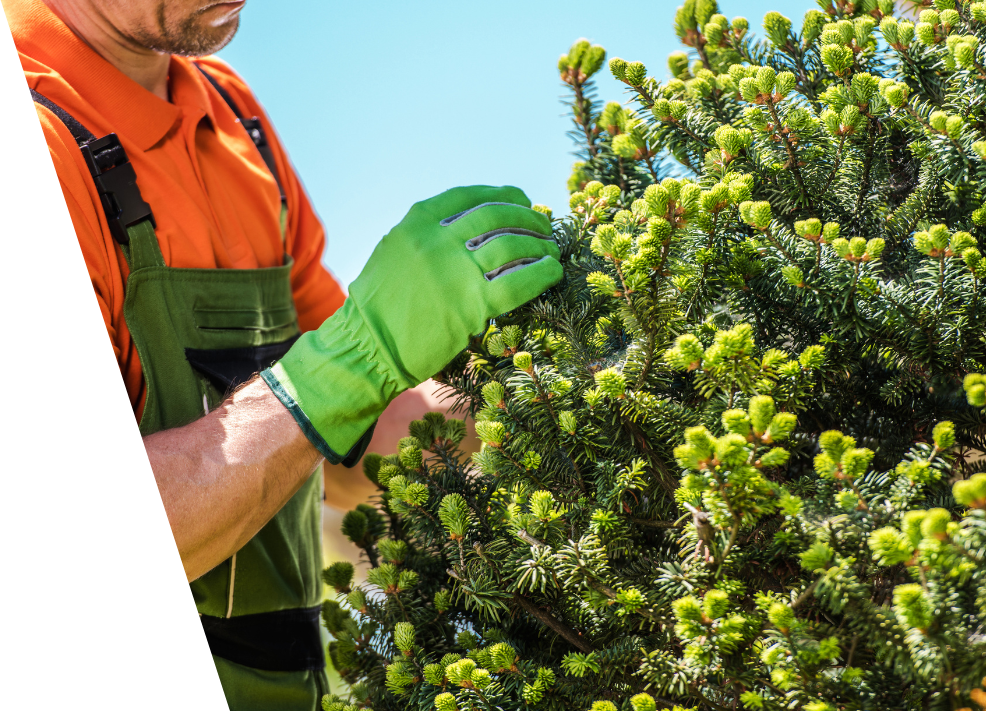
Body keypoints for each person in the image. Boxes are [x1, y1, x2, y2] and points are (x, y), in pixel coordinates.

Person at [10, 0, 563, 707]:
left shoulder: (230, 111)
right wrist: (352, 360)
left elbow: (345, 445)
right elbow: (329, 385)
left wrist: (527, 399)